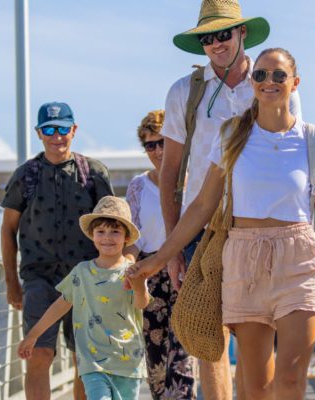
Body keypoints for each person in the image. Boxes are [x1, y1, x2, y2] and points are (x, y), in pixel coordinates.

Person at [130, 47, 315, 400]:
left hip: (298, 260)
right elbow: (203, 204)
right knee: (257, 388)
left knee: (292, 383)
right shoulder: (232, 136)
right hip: (243, 258)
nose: (270, 82)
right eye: (262, 75)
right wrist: (159, 259)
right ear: (253, 83)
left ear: (295, 83)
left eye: (279, 75)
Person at [159, 1, 301, 398]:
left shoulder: (274, 81)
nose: (216, 43)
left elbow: (294, 162)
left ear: (242, 33)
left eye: (224, 33)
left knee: (259, 334)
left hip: (261, 228)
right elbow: (170, 173)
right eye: (207, 37)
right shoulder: (185, 92)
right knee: (210, 336)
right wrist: (172, 249)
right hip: (203, 229)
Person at [1, 101, 114, 400]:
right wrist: (12, 282)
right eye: (49, 129)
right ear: (39, 133)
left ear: (74, 130)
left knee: (85, 361)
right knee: (38, 355)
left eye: (63, 128)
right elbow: (8, 229)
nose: (56, 136)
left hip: (86, 279)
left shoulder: (94, 173)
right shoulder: (25, 176)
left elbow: (114, 224)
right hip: (40, 280)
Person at [18, 196, 151, 400]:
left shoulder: (132, 272)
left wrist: (140, 286)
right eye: (101, 231)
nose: (107, 237)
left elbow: (141, 304)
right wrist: (33, 335)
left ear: (126, 237)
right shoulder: (81, 272)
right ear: (92, 236)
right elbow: (60, 305)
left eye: (115, 231)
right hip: (92, 360)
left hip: (127, 361)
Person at [124, 110, 196, 399]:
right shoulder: (138, 186)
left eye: (162, 142)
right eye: (149, 145)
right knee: (156, 363)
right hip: (150, 278)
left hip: (187, 272)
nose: (156, 151)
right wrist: (127, 267)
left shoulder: (196, 182)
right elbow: (133, 238)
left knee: (181, 359)